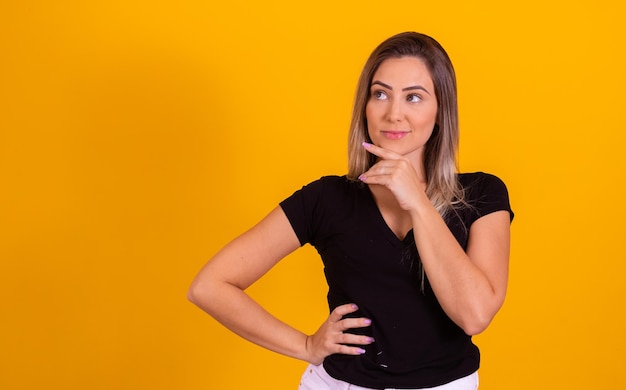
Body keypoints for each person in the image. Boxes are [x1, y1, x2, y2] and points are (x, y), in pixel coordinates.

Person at [188, 31, 514, 390]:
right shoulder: (326, 199)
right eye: (380, 94)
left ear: (440, 112)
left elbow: (475, 315)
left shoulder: (482, 194)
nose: (394, 113)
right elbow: (209, 286)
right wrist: (305, 345)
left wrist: (418, 203)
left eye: (414, 97)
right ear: (365, 106)